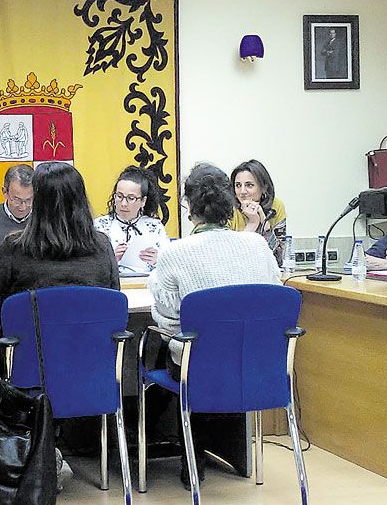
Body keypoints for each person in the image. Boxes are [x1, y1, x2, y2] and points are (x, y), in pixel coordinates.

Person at [149, 162, 281, 488]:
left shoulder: (174, 253)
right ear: (229, 201)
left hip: (196, 365)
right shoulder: (257, 245)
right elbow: (275, 295)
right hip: (254, 362)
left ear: (189, 206)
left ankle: (183, 453)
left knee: (165, 350)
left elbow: (166, 320)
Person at [0, 162, 120, 331]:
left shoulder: (14, 248)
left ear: (37, 203)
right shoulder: (103, 246)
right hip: (92, 353)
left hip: (30, 353)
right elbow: (113, 303)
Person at [93, 165, 170, 272]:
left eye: (131, 198)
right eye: (119, 196)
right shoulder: (99, 226)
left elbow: (170, 264)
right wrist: (109, 260)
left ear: (143, 201)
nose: (124, 204)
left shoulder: (155, 226)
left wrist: (158, 260)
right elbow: (89, 266)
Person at [228, 160, 287, 262]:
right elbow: (231, 257)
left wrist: (265, 224)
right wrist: (252, 223)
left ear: (264, 188)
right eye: (238, 185)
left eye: (249, 185)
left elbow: (279, 258)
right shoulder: (228, 209)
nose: (242, 192)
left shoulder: (276, 206)